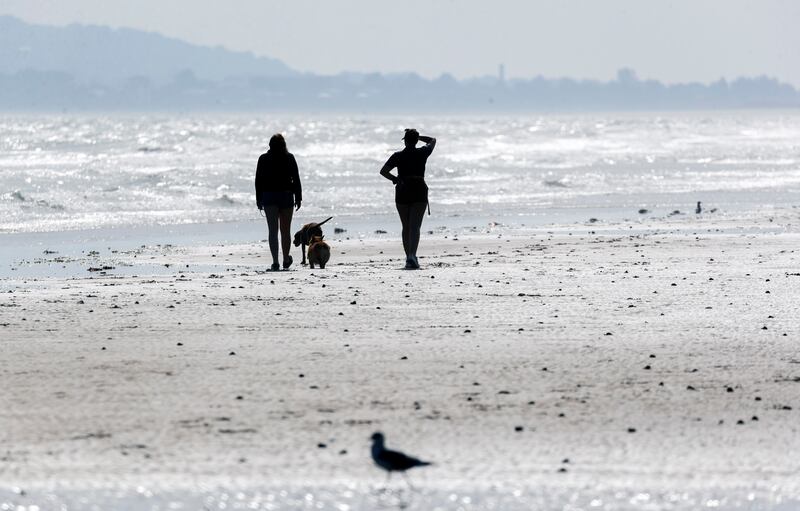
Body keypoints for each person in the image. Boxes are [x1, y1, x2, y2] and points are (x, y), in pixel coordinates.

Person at [380, 129, 436, 269]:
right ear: (416, 141)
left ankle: (408, 258)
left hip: (403, 189)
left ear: (405, 140)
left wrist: (395, 179)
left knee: (406, 226)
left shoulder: (398, 155)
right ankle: (412, 255)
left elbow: (383, 171)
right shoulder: (423, 152)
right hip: (419, 190)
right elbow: (432, 140)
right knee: (415, 226)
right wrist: (418, 137)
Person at [255, 133, 302, 271]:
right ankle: (286, 259)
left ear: (270, 146)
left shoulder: (263, 159)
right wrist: (298, 197)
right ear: (284, 145)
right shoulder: (289, 158)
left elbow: (258, 181)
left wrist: (259, 199)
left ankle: (275, 262)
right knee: (285, 230)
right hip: (286, 196)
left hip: (269, 197)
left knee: (273, 231)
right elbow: (296, 178)